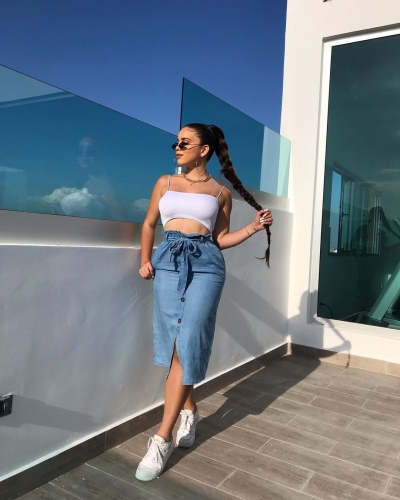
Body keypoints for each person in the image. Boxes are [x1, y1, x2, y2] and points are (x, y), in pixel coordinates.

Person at [136, 123, 273, 481]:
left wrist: (254, 228)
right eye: (176, 143)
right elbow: (149, 224)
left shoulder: (220, 193)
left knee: (191, 340)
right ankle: (190, 411)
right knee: (176, 347)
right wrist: (145, 258)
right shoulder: (164, 182)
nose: (177, 147)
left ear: (204, 150)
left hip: (207, 267)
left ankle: (161, 438)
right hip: (168, 263)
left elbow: (220, 239)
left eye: (185, 143)